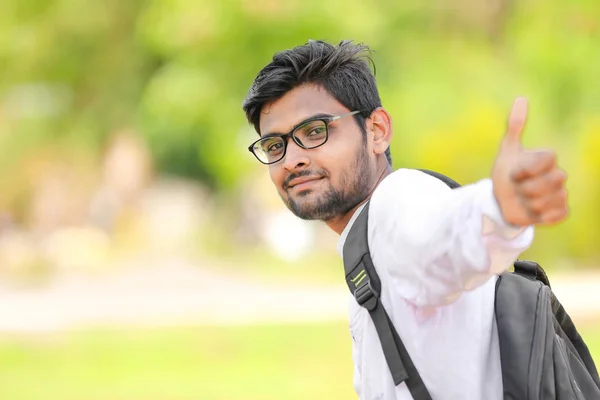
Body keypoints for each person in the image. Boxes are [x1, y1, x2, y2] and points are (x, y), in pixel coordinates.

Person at [242, 40, 568, 400]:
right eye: (275, 146)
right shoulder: (363, 239)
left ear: (377, 131)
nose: (292, 160)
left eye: (315, 131)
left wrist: (499, 209)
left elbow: (441, 237)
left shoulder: (397, 203)